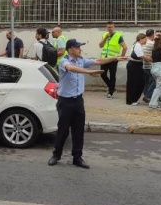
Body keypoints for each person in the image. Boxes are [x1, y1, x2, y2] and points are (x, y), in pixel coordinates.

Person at [47, 39, 124, 169]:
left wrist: (116, 58)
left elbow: (98, 61)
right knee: (63, 130)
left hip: (78, 101)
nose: (80, 49)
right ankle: (56, 154)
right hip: (65, 101)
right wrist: (89, 72)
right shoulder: (64, 61)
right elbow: (71, 69)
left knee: (78, 131)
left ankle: (77, 157)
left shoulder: (81, 60)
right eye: (78, 47)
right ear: (70, 49)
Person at [98, 21, 127, 99]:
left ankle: (110, 92)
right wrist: (106, 37)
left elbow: (125, 47)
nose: (110, 28)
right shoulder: (104, 35)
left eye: (111, 27)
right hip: (104, 58)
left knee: (112, 75)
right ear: (106, 27)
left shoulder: (118, 36)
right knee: (102, 74)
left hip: (113, 59)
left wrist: (121, 56)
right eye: (108, 27)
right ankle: (112, 87)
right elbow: (100, 45)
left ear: (114, 27)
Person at [147, 37, 161, 109]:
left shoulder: (153, 50)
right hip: (160, 67)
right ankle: (152, 103)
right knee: (159, 87)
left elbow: (150, 58)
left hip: (153, 67)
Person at [126, 33, 147, 106]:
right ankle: (131, 100)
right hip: (134, 65)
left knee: (140, 82)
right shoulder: (137, 45)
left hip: (137, 65)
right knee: (133, 82)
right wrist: (150, 59)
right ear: (141, 39)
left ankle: (134, 98)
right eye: (145, 39)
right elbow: (141, 56)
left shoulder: (138, 45)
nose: (146, 40)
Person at [141, 29, 156, 103]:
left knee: (146, 82)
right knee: (155, 81)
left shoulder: (142, 42)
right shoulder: (152, 43)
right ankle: (148, 95)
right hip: (150, 65)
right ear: (153, 35)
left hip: (143, 65)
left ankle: (146, 95)